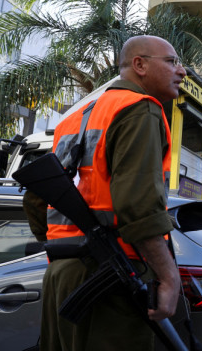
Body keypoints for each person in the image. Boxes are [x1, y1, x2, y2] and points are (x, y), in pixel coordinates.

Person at [36, 35, 184, 349]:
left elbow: (36, 199)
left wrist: (62, 245)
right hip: (110, 277)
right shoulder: (139, 109)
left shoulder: (73, 120)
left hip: (61, 275)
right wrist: (169, 277)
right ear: (139, 65)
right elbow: (138, 205)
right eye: (171, 61)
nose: (181, 71)